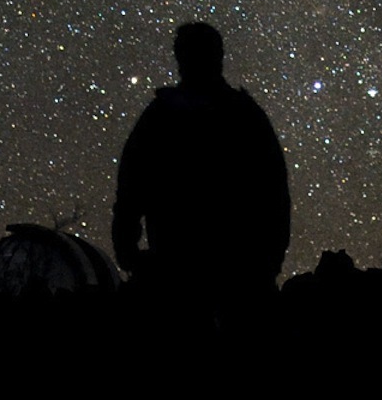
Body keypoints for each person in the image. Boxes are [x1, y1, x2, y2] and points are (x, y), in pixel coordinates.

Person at [111, 22, 290, 312]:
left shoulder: (160, 117)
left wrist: (129, 255)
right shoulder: (245, 115)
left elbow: (130, 190)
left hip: (183, 269)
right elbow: (275, 196)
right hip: (235, 271)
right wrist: (269, 262)